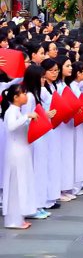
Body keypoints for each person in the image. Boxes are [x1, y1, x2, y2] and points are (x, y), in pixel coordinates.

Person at [2, 85, 38, 229]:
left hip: (22, 150)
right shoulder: (11, 111)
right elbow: (11, 126)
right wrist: (27, 116)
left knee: (21, 182)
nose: (26, 95)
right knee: (16, 184)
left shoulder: (18, 111)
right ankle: (13, 220)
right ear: (15, 98)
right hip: (15, 152)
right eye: (23, 93)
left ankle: (19, 217)